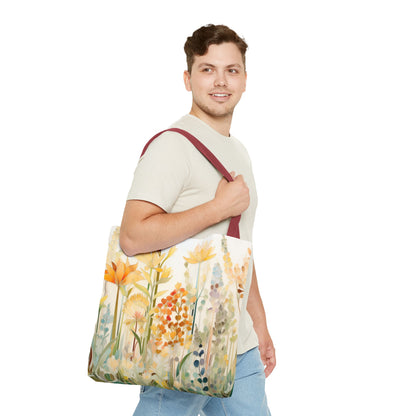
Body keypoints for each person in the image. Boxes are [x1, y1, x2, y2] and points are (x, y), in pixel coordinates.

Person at [119, 24, 276, 416]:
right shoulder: (172, 145)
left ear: (244, 79)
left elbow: (239, 245)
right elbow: (133, 236)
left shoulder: (238, 151)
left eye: (231, 70)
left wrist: (259, 326)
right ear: (188, 79)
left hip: (238, 348)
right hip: (182, 346)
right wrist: (216, 208)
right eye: (207, 70)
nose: (221, 81)